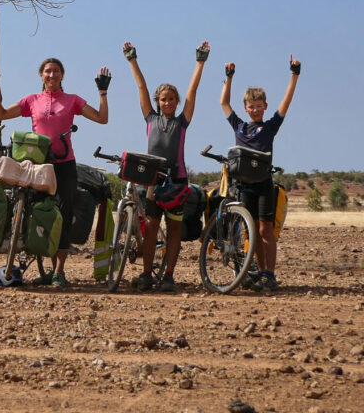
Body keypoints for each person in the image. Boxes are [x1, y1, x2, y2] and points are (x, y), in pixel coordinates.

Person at [0, 58, 111, 289]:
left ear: (62, 75)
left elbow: (102, 119)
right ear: (41, 75)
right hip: (39, 164)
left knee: (63, 214)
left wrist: (102, 92)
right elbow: (0, 113)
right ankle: (44, 268)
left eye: (56, 71)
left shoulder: (72, 101)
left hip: (64, 165)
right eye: (47, 71)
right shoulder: (32, 101)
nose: (52, 75)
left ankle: (58, 272)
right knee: (39, 214)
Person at [123, 40, 210, 292]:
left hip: (178, 181)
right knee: (151, 228)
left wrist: (200, 62)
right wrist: (132, 59)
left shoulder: (182, 122)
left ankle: (169, 275)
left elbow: (192, 92)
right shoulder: (150, 118)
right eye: (163, 99)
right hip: (153, 182)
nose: (168, 102)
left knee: (173, 229)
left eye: (172, 99)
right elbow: (141, 85)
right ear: (157, 101)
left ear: (176, 101)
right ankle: (147, 274)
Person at [220, 56, 301, 292]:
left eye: (259, 106)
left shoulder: (270, 126)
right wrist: (228, 78)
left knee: (266, 230)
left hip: (264, 184)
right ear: (246, 108)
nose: (255, 110)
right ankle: (259, 268)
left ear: (265, 106)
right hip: (244, 186)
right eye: (251, 106)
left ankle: (269, 274)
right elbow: (224, 103)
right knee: (251, 229)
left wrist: (294, 75)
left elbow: (286, 103)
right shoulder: (239, 126)